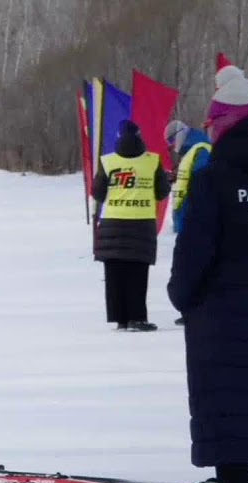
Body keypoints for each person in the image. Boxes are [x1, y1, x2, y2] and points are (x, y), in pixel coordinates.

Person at [167, 63, 248, 483]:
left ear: (224, 123)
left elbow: (196, 247)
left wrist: (182, 294)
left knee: (227, 404)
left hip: (224, 316)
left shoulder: (217, 177)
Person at [91, 119, 171, 332]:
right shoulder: (152, 161)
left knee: (114, 271)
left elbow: (97, 193)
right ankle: (137, 317)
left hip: (112, 222)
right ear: (139, 136)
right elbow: (162, 192)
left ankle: (120, 318)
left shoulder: (107, 162)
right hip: (141, 223)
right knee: (137, 271)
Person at [166, 119, 213, 326]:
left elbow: (201, 181)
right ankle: (192, 309)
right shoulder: (190, 151)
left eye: (171, 142)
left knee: (195, 268)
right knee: (188, 270)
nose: (171, 147)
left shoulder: (200, 148)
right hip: (187, 218)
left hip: (195, 219)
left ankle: (197, 309)